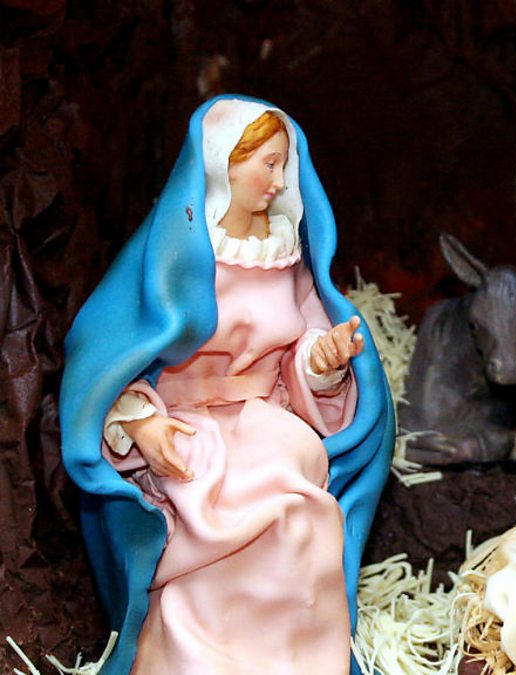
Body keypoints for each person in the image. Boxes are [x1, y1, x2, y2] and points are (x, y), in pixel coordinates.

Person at [60, 96, 395, 674]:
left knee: (296, 494)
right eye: (267, 163)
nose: (279, 181)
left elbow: (300, 347)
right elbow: (108, 354)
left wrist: (325, 362)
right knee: (206, 500)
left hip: (264, 419)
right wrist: (141, 419)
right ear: (224, 164)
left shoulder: (285, 255)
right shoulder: (168, 256)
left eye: (284, 165)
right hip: (187, 424)